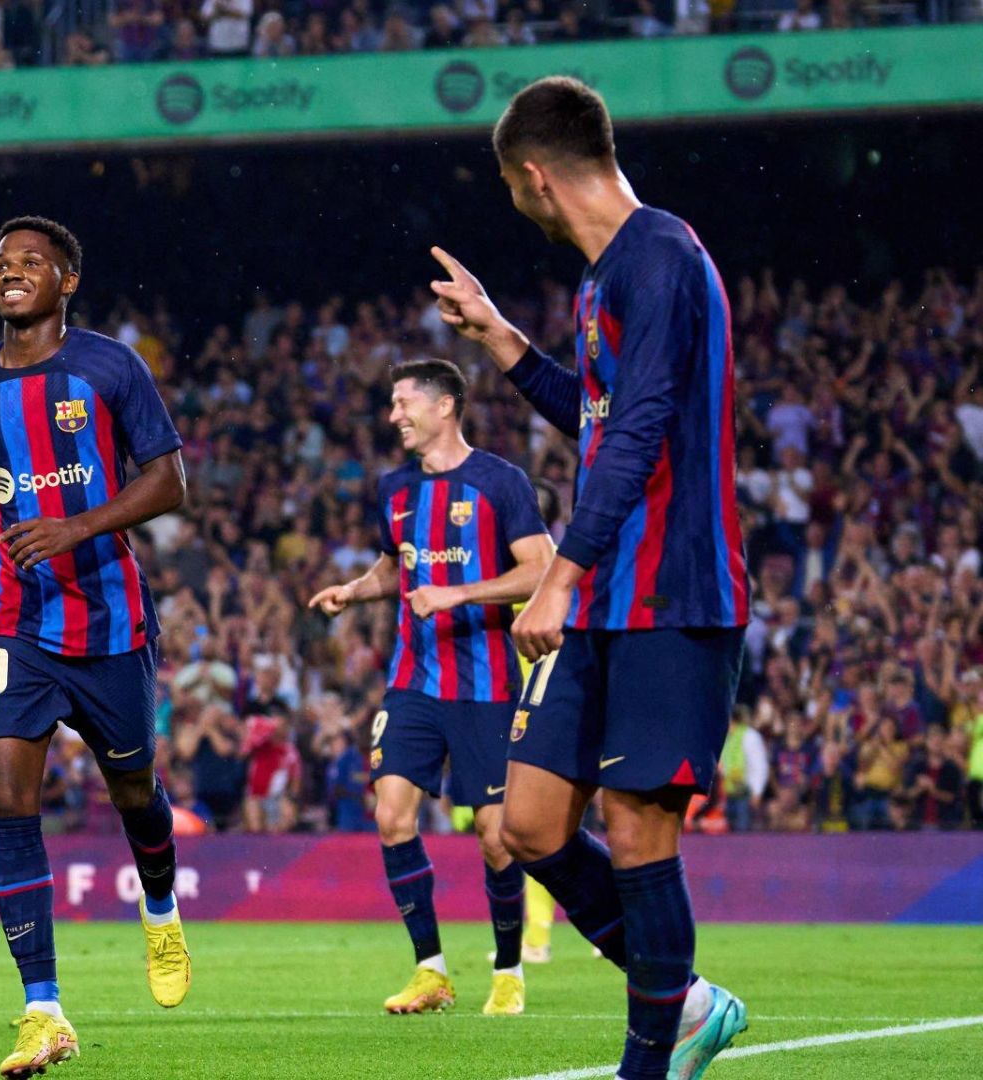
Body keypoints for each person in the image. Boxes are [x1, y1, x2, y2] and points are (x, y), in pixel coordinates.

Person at [427, 76, 751, 1079]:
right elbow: (603, 417)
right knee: (526, 824)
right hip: (611, 594)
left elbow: (645, 429)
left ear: (533, 177)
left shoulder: (659, 255)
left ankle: (650, 1059)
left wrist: (557, 576)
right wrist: (503, 342)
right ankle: (686, 995)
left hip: (673, 593)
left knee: (638, 831)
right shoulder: (606, 276)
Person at [0, 216, 190, 1078]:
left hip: (109, 619)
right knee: (9, 793)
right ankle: (42, 1008)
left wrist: (76, 525)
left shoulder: (109, 365)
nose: (11, 272)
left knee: (133, 789)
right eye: (1, 261)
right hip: (14, 617)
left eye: (32, 263)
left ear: (66, 281)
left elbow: (170, 479)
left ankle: (159, 903)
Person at [307, 358, 552, 1017]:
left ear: (446, 407)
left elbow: (541, 572)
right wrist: (353, 593)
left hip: (488, 684)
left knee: (497, 837)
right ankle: (431, 970)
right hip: (413, 680)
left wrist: (460, 593)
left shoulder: (502, 482)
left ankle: (507, 972)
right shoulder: (393, 489)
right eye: (391, 404)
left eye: (403, 402)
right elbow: (396, 568)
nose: (394, 416)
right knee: (391, 815)